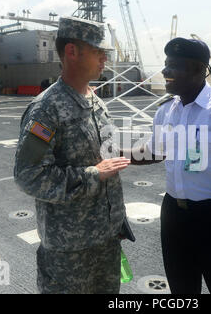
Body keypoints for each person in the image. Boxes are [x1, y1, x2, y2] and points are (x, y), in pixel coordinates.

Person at [123, 38, 211, 294]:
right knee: (181, 290)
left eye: (175, 65)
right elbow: (154, 152)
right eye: (166, 64)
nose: (166, 71)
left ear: (199, 70)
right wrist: (114, 153)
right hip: (174, 216)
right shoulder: (166, 110)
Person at [14, 17, 131, 294]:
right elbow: (28, 175)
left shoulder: (97, 102)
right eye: (97, 51)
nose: (105, 58)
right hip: (69, 250)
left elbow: (101, 153)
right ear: (71, 51)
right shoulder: (46, 109)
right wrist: (94, 174)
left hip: (106, 238)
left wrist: (132, 153)